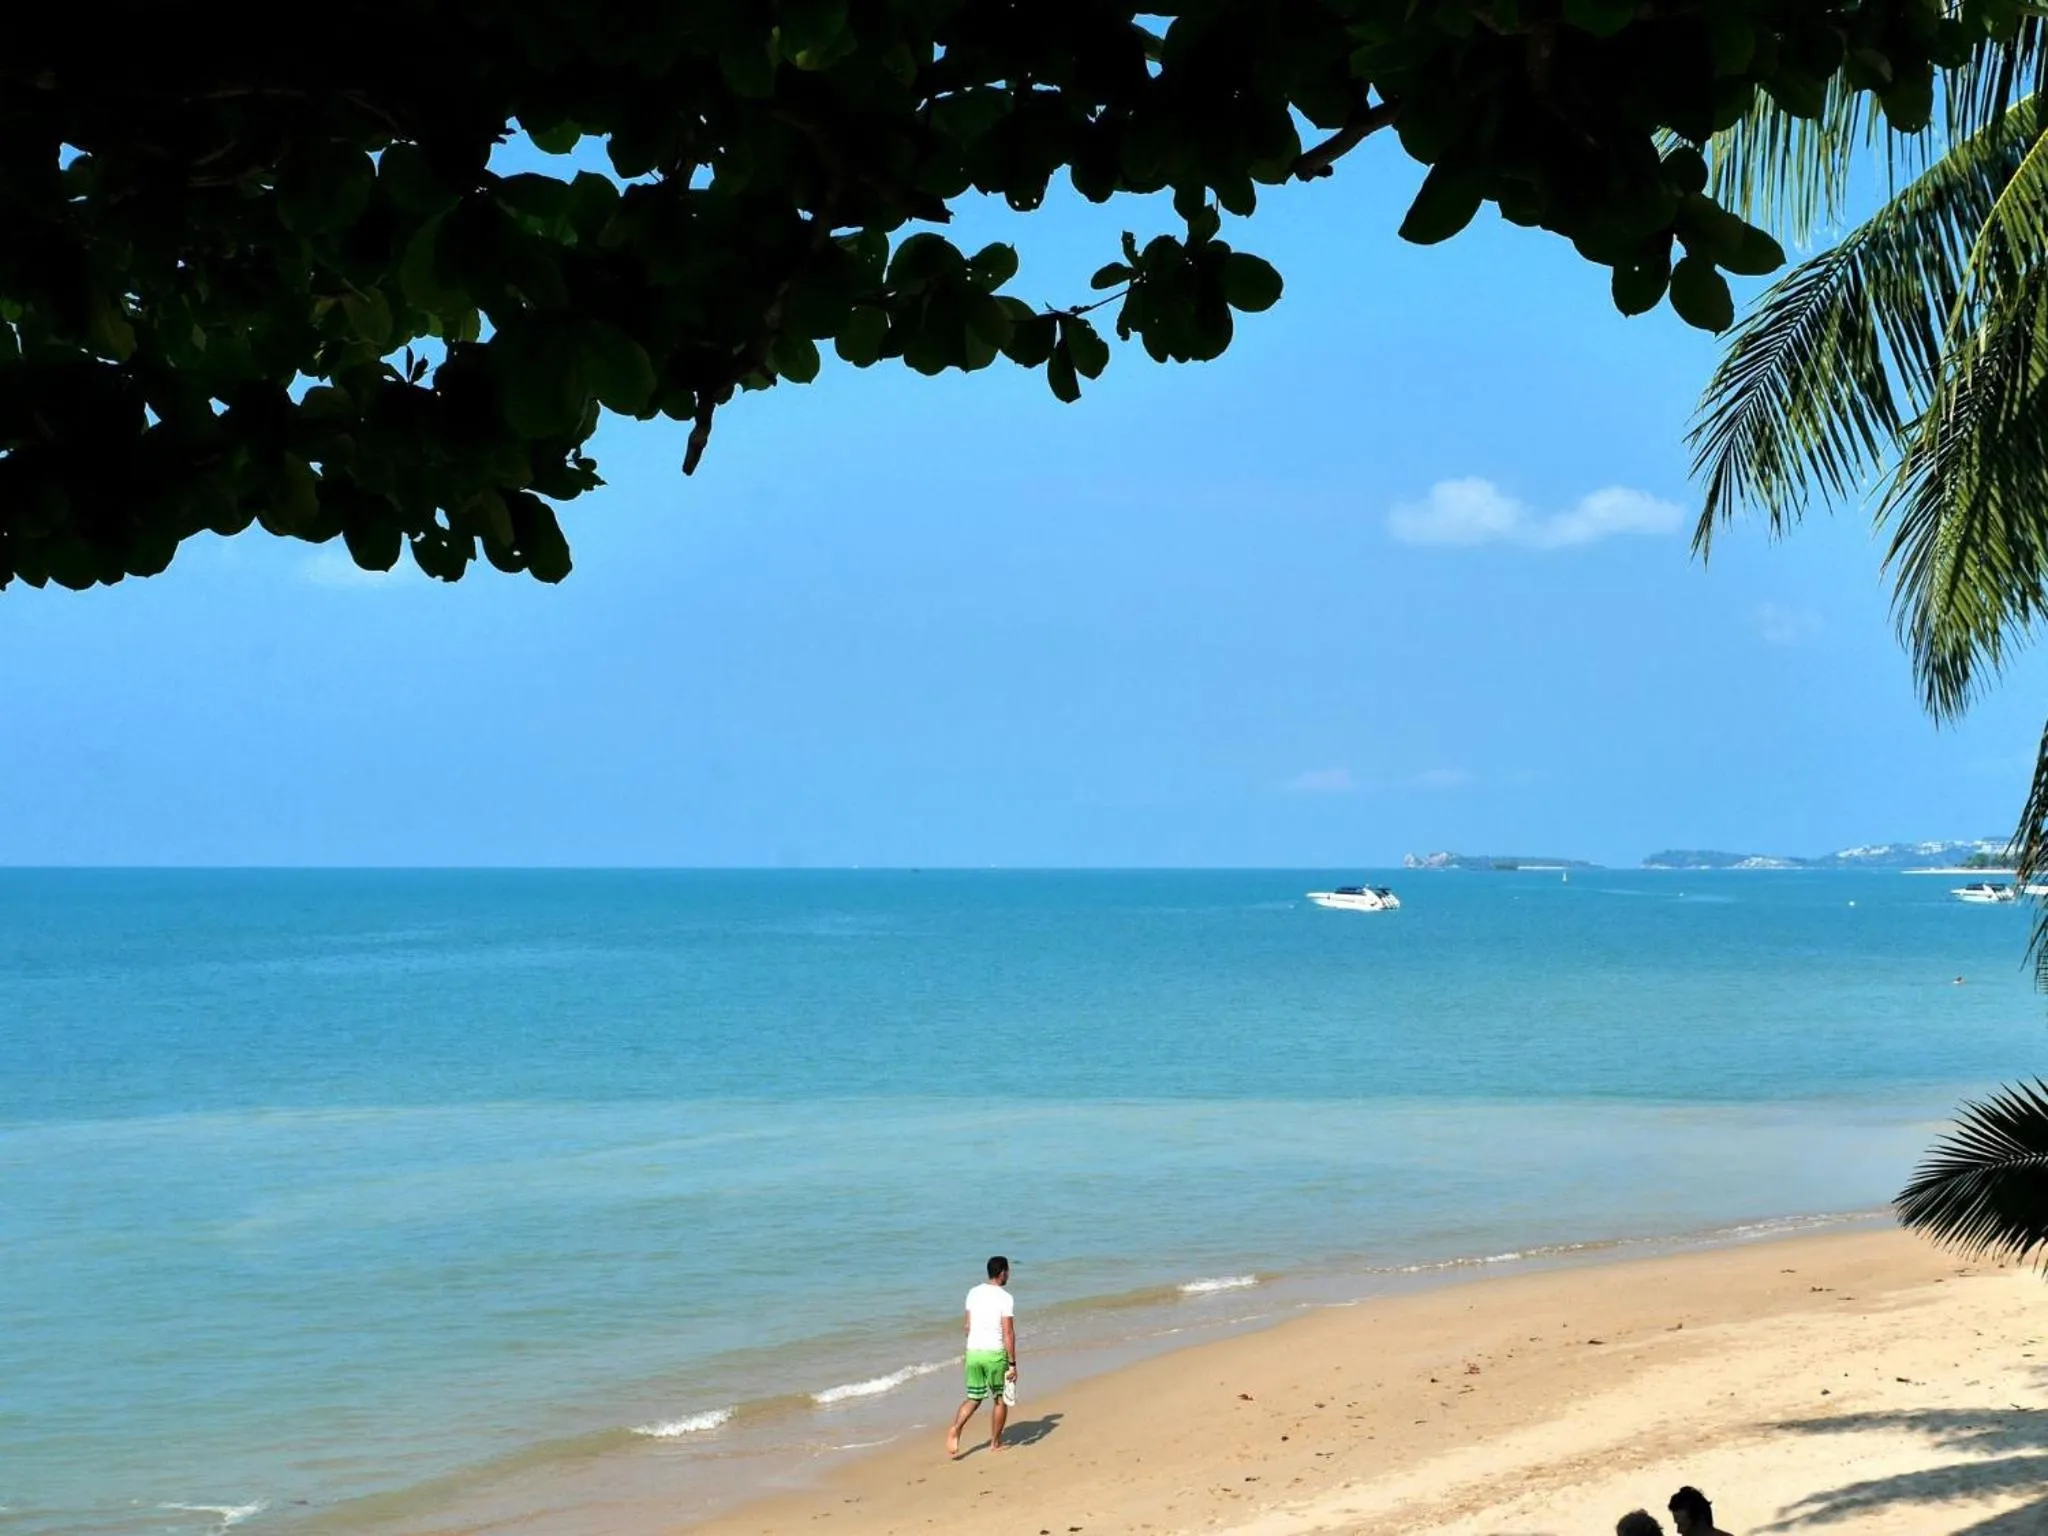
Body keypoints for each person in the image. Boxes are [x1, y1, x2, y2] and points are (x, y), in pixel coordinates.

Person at [946, 1255, 1017, 1458]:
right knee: (999, 1399)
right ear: (1002, 1272)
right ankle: (995, 1443)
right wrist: (1012, 1364)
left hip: (973, 1352)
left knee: (974, 1397)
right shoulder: (1005, 1298)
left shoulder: (973, 1293)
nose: (1008, 1275)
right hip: (994, 1354)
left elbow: (967, 1326)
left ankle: (957, 1427)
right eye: (1008, 1271)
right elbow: (1008, 1333)